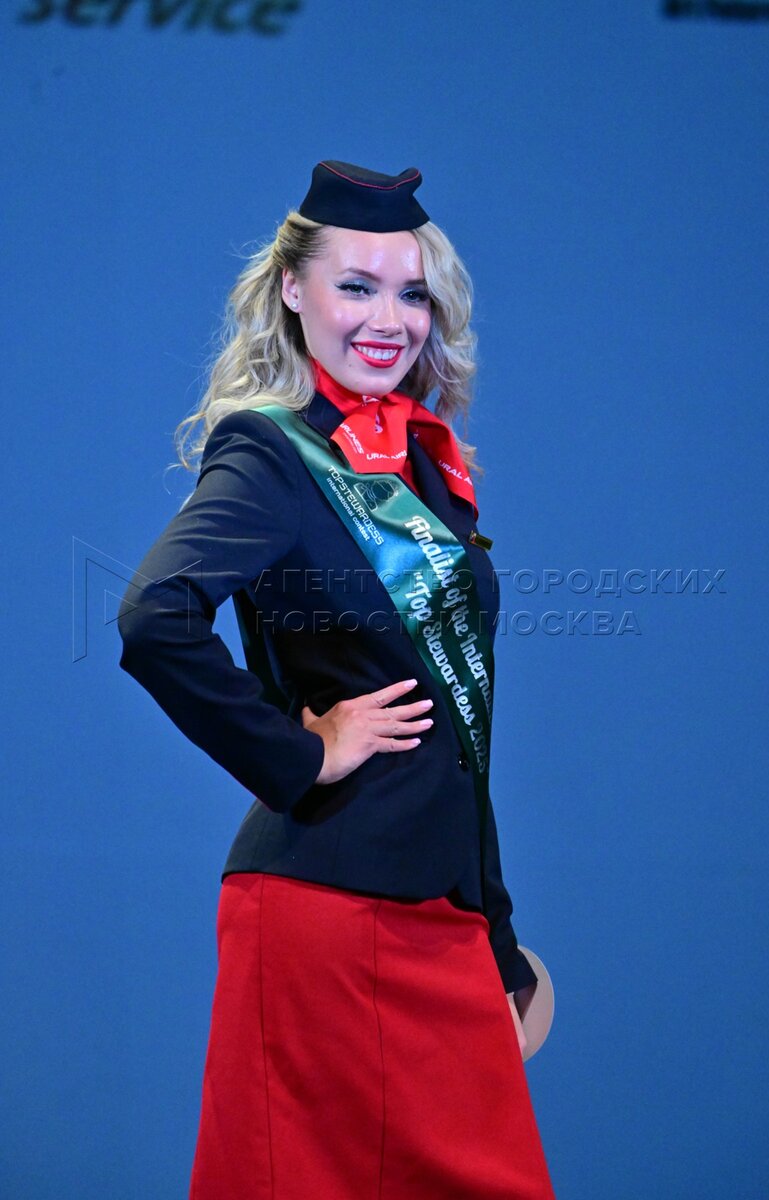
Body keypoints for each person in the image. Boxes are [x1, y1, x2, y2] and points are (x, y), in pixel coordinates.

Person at [117, 159, 556, 1199]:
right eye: (356, 286)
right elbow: (154, 617)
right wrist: (298, 753)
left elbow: (460, 727)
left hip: (436, 910)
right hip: (331, 911)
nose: (389, 320)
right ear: (292, 289)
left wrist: (494, 935)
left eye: (413, 293)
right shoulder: (271, 454)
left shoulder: (420, 467)